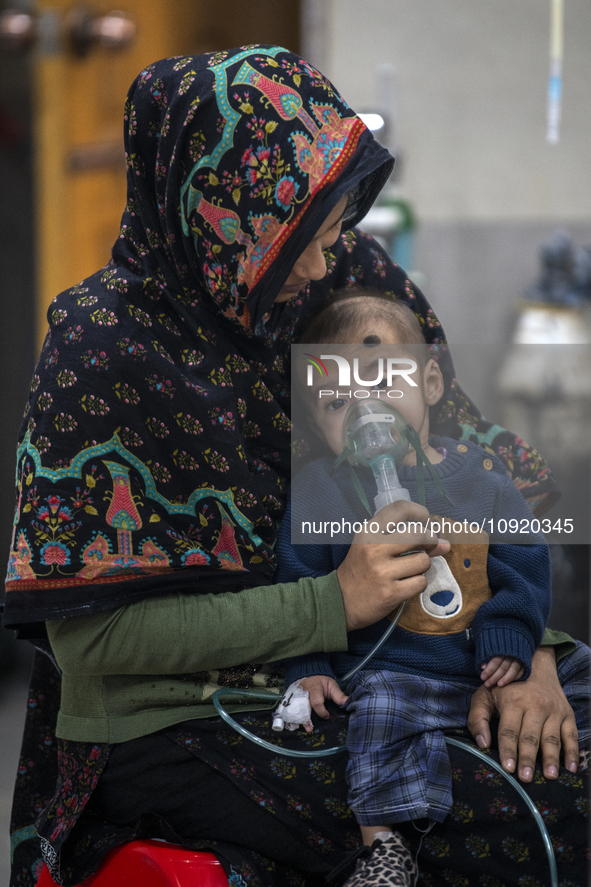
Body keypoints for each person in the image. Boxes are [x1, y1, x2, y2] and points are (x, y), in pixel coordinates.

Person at [2, 47, 586, 887]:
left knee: (565, 734)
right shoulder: (106, 349)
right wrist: (332, 600)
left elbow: (472, 482)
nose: (321, 267)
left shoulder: (345, 280)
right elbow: (98, 642)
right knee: (543, 803)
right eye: (300, 243)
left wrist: (525, 657)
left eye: (332, 231)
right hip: (187, 714)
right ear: (218, 214)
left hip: (414, 654)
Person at [274, 292, 570, 884]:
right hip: (394, 675)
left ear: (431, 382)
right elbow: (299, 583)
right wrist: (307, 666)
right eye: (337, 402)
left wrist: (512, 633)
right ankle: (384, 847)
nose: (366, 413)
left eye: (384, 385)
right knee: (376, 716)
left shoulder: (483, 476)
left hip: (484, 669)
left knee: (583, 673)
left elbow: (523, 560)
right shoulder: (320, 492)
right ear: (314, 423)